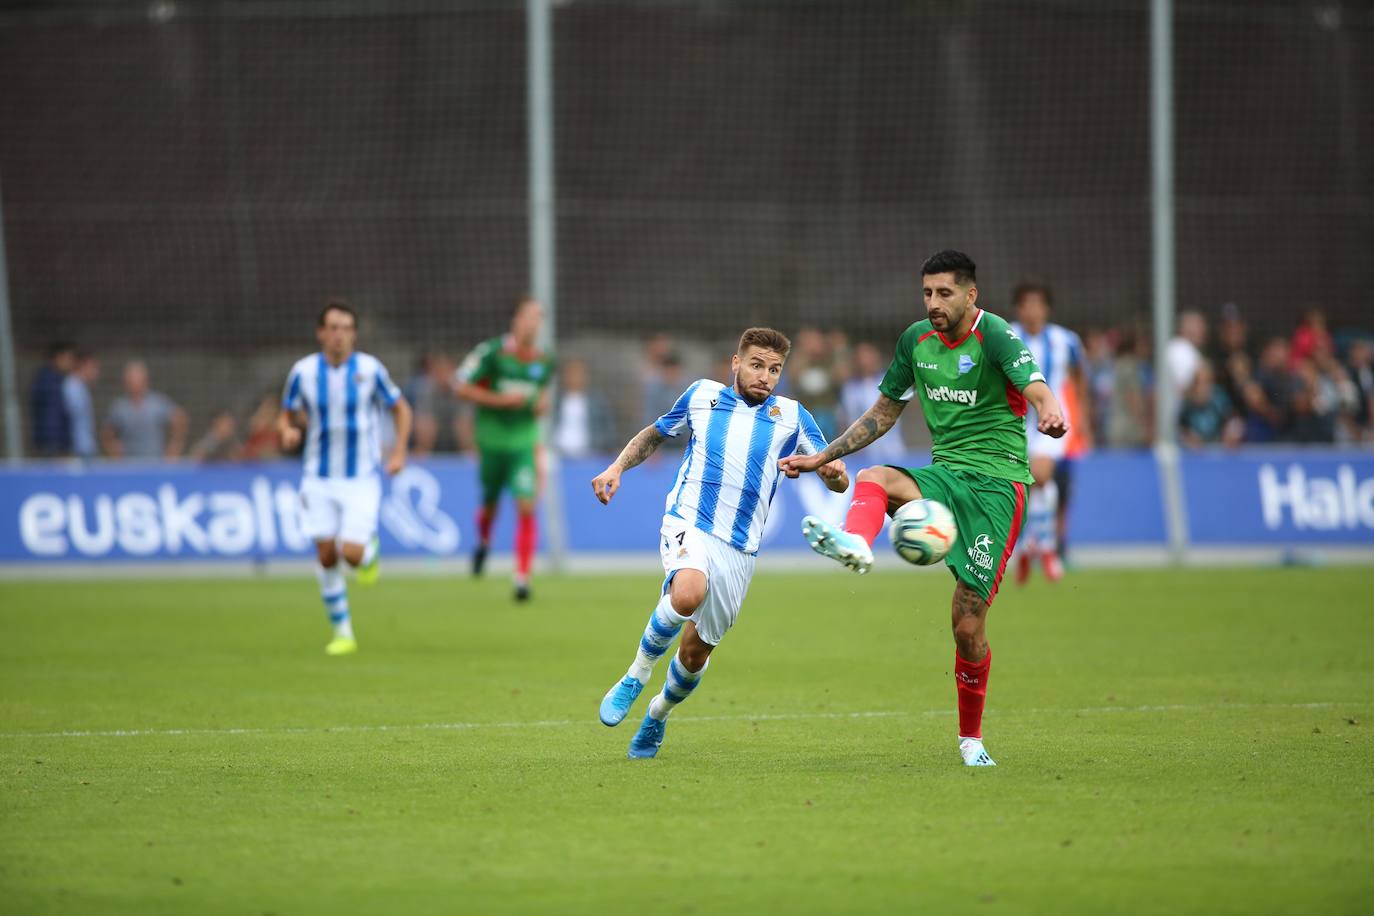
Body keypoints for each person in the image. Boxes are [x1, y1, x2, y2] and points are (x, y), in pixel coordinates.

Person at [780, 250, 1066, 768]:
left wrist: (1050, 410)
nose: (933, 303)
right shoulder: (916, 341)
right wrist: (825, 455)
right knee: (874, 478)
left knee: (967, 624)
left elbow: (1036, 386)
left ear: (970, 295)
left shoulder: (995, 334)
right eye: (927, 293)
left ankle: (971, 740)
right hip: (945, 473)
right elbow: (883, 412)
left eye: (944, 293)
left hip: (998, 488)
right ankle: (856, 544)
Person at [592, 327, 849, 759]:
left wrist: (833, 473)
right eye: (756, 365)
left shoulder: (792, 415)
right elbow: (656, 433)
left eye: (774, 369)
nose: (765, 376)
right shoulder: (701, 396)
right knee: (687, 592)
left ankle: (658, 714)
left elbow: (834, 472)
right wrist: (617, 467)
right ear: (735, 362)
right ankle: (635, 675)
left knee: (694, 655)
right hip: (690, 519)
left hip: (740, 548)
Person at [278, 299, 412, 656]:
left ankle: (368, 554)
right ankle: (343, 632)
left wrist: (398, 451)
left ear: (354, 334)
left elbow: (401, 408)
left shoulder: (370, 370)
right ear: (321, 333)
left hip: (360, 477)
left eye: (346, 328)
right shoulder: (303, 372)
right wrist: (287, 431)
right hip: (318, 477)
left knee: (350, 554)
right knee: (325, 555)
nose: (339, 335)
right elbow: (286, 413)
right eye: (333, 328)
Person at [454, 297, 555, 601]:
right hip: (492, 441)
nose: (532, 324)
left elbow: (539, 400)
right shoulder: (492, 353)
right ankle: (484, 541)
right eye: (528, 317)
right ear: (515, 320)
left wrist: (540, 406)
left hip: (523, 442)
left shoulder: (544, 361)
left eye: (538, 318)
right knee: (490, 504)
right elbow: (461, 387)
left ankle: (522, 577)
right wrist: (500, 401)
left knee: (526, 504)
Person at [1008, 280, 1087, 583]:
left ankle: (1048, 548)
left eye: (1038, 304)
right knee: (1023, 487)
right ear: (1019, 308)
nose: (1033, 310)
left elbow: (1079, 377)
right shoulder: (1006, 335)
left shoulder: (1065, 340)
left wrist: (1082, 417)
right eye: (1027, 304)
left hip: (1052, 420)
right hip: (1014, 421)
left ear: (1047, 308)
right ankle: (1035, 545)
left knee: (1041, 476)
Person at [101, 360, 187, 460]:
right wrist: (115, 453)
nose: (133, 383)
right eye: (130, 379)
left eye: (137, 379)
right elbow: (107, 434)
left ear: (145, 380)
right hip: (128, 465)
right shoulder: (118, 407)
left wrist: (174, 450)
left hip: (155, 463)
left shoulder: (158, 403)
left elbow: (180, 419)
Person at [839, 341, 906, 464]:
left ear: (876, 357)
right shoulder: (850, 388)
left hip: (892, 448)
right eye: (861, 357)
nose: (865, 361)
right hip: (863, 451)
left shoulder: (889, 380)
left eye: (868, 356)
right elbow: (848, 418)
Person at [553, 358, 615, 458]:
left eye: (578, 374)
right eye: (570, 374)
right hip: (559, 453)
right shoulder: (556, 401)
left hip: (589, 454)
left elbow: (607, 429)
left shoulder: (596, 401)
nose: (574, 378)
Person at [30, 342, 75, 457]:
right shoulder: (49, 383)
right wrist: (58, 444)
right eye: (68, 358)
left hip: (53, 441)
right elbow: (51, 417)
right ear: (58, 358)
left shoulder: (56, 380)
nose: (70, 363)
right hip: (53, 443)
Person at [63, 350, 99, 462]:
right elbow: (68, 419)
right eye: (93, 368)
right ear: (84, 366)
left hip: (85, 449)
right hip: (77, 450)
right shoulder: (72, 388)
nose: (96, 372)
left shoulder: (81, 388)